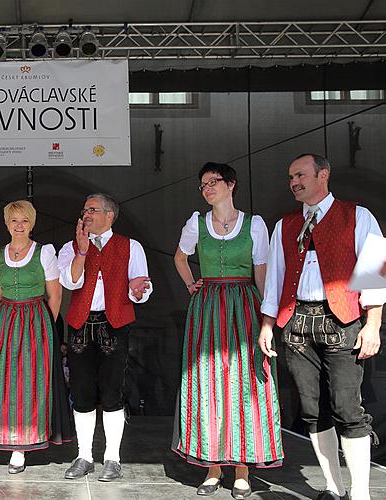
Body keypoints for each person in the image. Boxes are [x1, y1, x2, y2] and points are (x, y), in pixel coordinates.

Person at [258, 154, 385, 500]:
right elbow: (276, 282)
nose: (294, 182)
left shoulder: (357, 215)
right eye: (290, 177)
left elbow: (374, 273)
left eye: (300, 174)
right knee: (313, 410)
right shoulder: (285, 225)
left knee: (348, 408)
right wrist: (267, 324)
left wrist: (373, 324)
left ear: (323, 174)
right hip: (297, 324)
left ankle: (360, 493)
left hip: (342, 322)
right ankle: (333, 487)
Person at [172, 163, 284, 499]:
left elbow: (262, 271)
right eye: (203, 184)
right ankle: (212, 467)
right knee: (207, 381)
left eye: (213, 182)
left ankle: (243, 470)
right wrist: (192, 284)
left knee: (245, 382)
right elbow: (180, 258)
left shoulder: (255, 224)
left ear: (231, 185)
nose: (207, 188)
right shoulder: (196, 223)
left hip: (244, 305)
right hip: (207, 307)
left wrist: (267, 317)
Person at [58, 193, 152, 482]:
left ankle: (112, 457)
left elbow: (143, 288)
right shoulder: (70, 246)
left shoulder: (130, 246)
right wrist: (82, 252)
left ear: (109, 215)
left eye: (92, 210)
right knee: (82, 391)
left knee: (113, 392)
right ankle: (84, 455)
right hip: (81, 325)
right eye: (84, 209)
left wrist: (137, 290)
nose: (86, 214)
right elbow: (69, 281)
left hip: (115, 324)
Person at [0, 200, 72, 473]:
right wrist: (9, 316)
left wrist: (44, 326)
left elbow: (55, 295)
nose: (19, 226)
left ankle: (23, 446)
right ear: (6, 224)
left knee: (30, 382)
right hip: (5, 319)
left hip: (35, 319)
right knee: (3, 379)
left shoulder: (44, 253)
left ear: (32, 223)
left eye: (25, 221)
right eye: (14, 221)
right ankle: (4, 436)